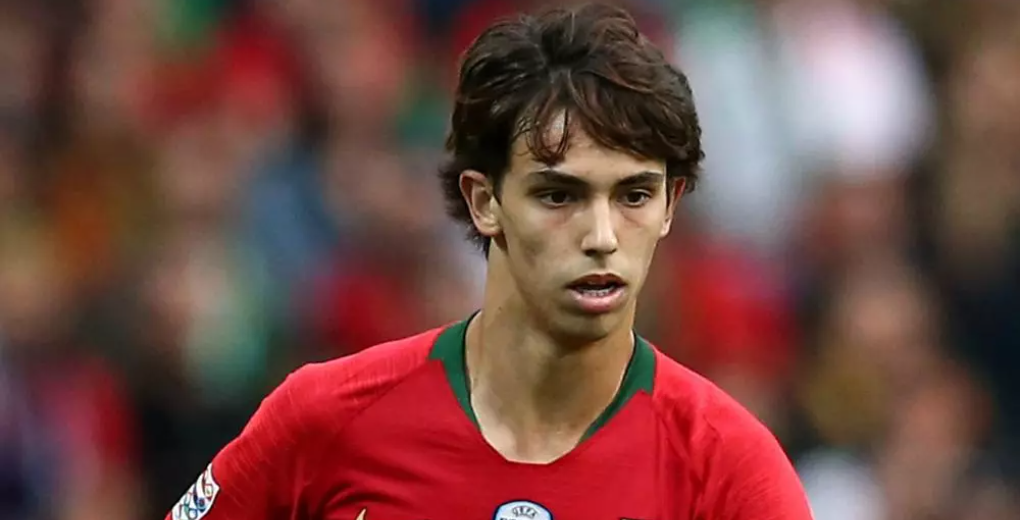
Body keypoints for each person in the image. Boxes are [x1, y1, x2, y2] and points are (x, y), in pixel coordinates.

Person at [167, 4, 813, 519]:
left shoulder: (729, 470)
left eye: (634, 196)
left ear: (672, 205)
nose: (601, 235)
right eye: (558, 195)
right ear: (484, 201)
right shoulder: (325, 418)